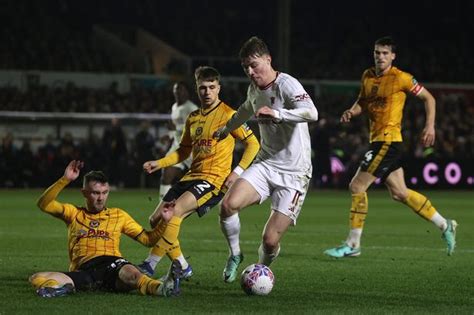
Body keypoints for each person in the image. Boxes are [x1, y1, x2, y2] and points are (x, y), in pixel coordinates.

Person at [324, 36, 457, 258]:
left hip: (388, 141)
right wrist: (351, 111)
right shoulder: (367, 75)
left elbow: (429, 98)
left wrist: (430, 126)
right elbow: (363, 102)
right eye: (377, 52)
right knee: (400, 193)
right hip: (378, 140)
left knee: (357, 187)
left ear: (393, 56)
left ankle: (353, 244)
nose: (380, 57)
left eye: (385, 53)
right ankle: (445, 225)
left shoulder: (401, 78)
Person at [136, 66, 260, 279]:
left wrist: (237, 172)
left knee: (173, 213)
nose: (207, 92)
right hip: (191, 176)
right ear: (197, 89)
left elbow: (253, 144)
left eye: (212, 87)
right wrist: (160, 163)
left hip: (213, 180)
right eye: (203, 88)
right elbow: (183, 151)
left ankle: (149, 264)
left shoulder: (230, 115)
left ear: (218, 88)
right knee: (155, 220)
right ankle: (183, 266)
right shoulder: (193, 117)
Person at [213, 36, 319, 282]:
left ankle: (260, 270)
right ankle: (235, 254)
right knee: (228, 206)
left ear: (268, 60)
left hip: (294, 173)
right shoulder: (253, 89)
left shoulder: (287, 85)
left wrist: (278, 114)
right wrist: (226, 129)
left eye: (254, 65)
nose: (250, 72)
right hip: (265, 163)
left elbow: (312, 113)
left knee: (270, 241)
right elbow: (244, 110)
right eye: (245, 68)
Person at [29, 160, 182, 298]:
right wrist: (65, 180)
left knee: (132, 274)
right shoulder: (74, 213)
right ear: (84, 193)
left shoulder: (118, 215)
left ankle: (163, 288)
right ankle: (59, 289)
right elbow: (44, 204)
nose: (101, 198)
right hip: (84, 271)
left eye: (105, 192)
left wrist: (164, 221)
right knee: (36, 277)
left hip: (112, 265)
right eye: (95, 193)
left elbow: (148, 240)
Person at [159, 82, 199, 199]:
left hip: (191, 149)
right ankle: (163, 204)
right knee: (166, 173)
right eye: (175, 90)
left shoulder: (191, 108)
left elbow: (196, 129)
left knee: (202, 180)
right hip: (177, 147)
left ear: (186, 92)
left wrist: (175, 128)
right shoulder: (174, 107)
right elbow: (175, 130)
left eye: (180, 90)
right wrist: (169, 135)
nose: (177, 92)